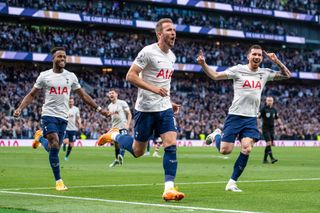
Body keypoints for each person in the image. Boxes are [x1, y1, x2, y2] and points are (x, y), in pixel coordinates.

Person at [98, 18, 185, 201]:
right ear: (159, 34)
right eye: (169, 30)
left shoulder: (172, 57)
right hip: (145, 109)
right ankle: (114, 134)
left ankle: (168, 189)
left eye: (174, 30)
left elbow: (164, 85)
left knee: (171, 145)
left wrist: (170, 102)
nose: (173, 33)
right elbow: (130, 75)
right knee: (138, 151)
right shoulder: (148, 52)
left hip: (164, 109)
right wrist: (154, 90)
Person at [13, 47, 110, 191]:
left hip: (63, 117)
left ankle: (39, 138)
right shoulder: (44, 76)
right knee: (55, 141)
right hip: (49, 114)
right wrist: (20, 108)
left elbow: (83, 95)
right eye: (59, 57)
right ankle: (59, 181)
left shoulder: (71, 76)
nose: (62, 59)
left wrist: (99, 109)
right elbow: (32, 94)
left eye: (64, 57)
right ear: (53, 59)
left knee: (54, 148)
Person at [197, 45, 291, 192]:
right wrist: (203, 64)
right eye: (254, 54)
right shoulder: (238, 70)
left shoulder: (264, 73)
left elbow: (287, 75)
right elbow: (215, 76)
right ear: (248, 56)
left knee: (246, 148)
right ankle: (216, 135)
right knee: (225, 151)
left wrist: (277, 61)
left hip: (251, 118)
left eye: (259, 55)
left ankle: (232, 183)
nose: (257, 57)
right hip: (235, 116)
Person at [107, 89, 132, 168]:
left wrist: (128, 124)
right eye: (110, 93)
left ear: (116, 94)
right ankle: (117, 159)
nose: (111, 94)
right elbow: (113, 117)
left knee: (123, 142)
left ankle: (121, 156)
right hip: (114, 128)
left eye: (112, 93)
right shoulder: (109, 106)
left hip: (123, 126)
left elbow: (129, 114)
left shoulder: (122, 103)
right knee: (116, 145)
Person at [258, 96, 282, 164]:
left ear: (273, 101)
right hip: (265, 128)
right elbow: (258, 117)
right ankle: (272, 158)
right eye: (268, 100)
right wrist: (259, 127)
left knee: (269, 144)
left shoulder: (274, 110)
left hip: (272, 129)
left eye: (271, 100)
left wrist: (281, 124)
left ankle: (265, 160)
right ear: (266, 101)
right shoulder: (263, 109)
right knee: (268, 143)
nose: (269, 102)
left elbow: (277, 118)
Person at [62, 97, 82, 161]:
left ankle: (66, 156)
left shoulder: (76, 109)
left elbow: (78, 118)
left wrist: (79, 123)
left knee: (71, 144)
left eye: (72, 102)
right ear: (68, 102)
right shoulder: (65, 109)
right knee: (66, 141)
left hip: (73, 129)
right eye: (69, 102)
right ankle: (64, 144)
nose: (71, 103)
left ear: (73, 102)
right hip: (66, 128)